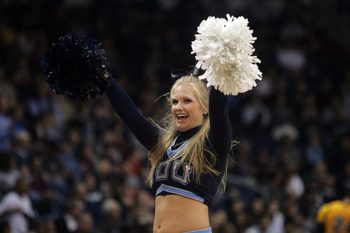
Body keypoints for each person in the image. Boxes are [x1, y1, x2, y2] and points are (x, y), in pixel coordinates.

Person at [105, 71, 232, 233]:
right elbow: (130, 114)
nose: (178, 107)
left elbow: (219, 104)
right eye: (175, 102)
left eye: (187, 101)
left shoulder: (212, 145)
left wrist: (220, 68)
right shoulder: (164, 145)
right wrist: (105, 78)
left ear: (205, 107)